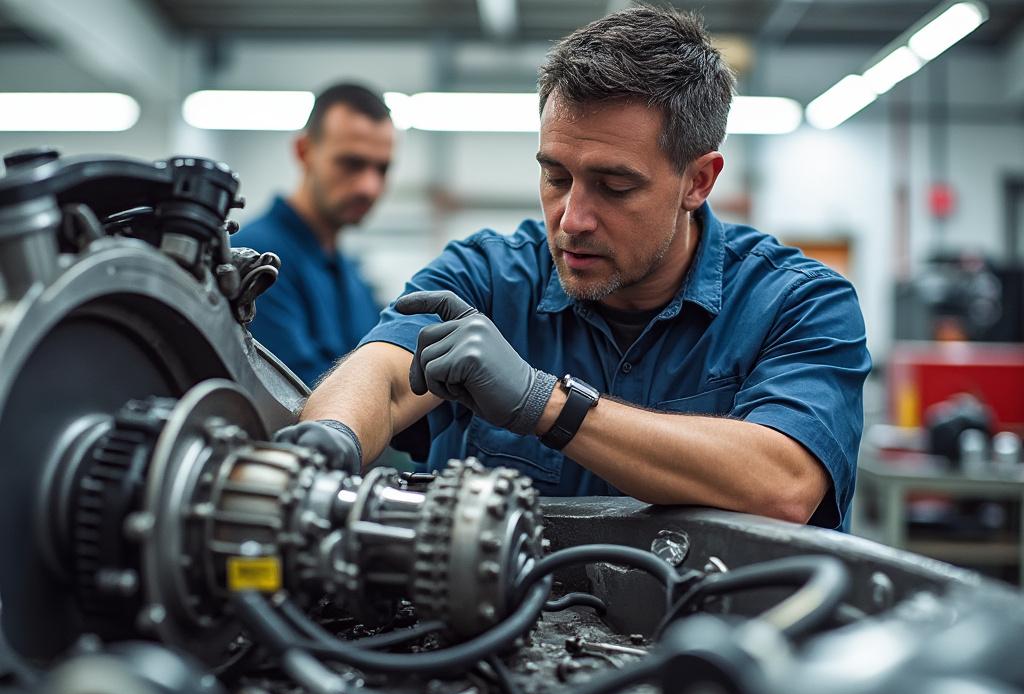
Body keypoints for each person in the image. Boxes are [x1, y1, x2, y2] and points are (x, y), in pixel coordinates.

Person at [278, 6, 871, 531]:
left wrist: (546, 403)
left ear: (698, 180)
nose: (572, 219)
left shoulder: (799, 304)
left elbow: (784, 483)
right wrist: (327, 442)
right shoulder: (485, 277)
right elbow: (381, 377)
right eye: (556, 177)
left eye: (614, 186)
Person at [233, 83, 394, 387]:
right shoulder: (256, 260)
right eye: (352, 163)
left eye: (382, 169)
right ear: (304, 151)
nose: (369, 187)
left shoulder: (350, 275)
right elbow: (298, 397)